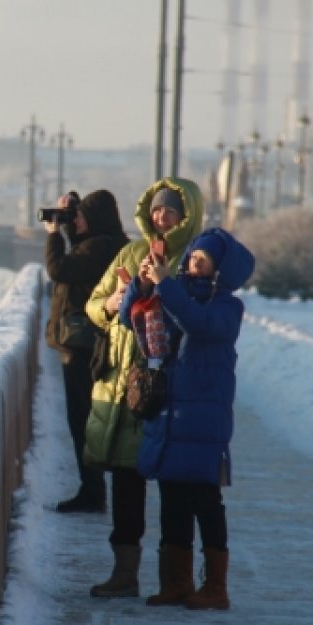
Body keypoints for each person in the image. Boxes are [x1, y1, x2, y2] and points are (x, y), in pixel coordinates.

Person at [83, 177, 204, 598]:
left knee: (174, 488)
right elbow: (93, 304)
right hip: (125, 387)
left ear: (186, 216)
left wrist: (167, 282)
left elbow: (198, 318)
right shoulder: (131, 252)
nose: (161, 217)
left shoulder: (194, 257)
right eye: (156, 209)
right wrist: (111, 305)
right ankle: (124, 574)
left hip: (170, 389)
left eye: (171, 210)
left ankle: (175, 580)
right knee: (126, 484)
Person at [122, 227, 254, 610]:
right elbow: (132, 322)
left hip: (203, 415)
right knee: (172, 500)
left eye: (202, 259)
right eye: (192, 256)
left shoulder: (227, 306)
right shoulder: (171, 292)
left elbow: (198, 323)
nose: (193, 263)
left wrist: (167, 287)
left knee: (205, 500)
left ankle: (215, 586)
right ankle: (175, 582)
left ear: (219, 268)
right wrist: (144, 287)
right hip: (169, 410)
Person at [44, 189, 130, 513]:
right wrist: (68, 223)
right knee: (86, 420)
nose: (74, 222)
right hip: (90, 343)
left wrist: (53, 235)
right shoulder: (106, 243)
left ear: (93, 221)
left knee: (82, 420)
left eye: (79, 218)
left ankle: (92, 492)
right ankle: (92, 488)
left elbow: (60, 269)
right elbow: (77, 258)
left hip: (82, 346)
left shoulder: (101, 247)